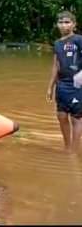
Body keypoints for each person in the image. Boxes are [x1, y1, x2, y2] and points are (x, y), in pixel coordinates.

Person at [45, 11, 82, 152]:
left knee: (76, 119)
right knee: (61, 116)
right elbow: (56, 66)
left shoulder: (79, 40)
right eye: (61, 22)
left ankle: (75, 150)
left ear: (74, 24)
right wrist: (50, 87)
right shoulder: (57, 43)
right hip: (62, 85)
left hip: (77, 85)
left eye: (67, 22)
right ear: (57, 24)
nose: (63, 25)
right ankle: (67, 147)